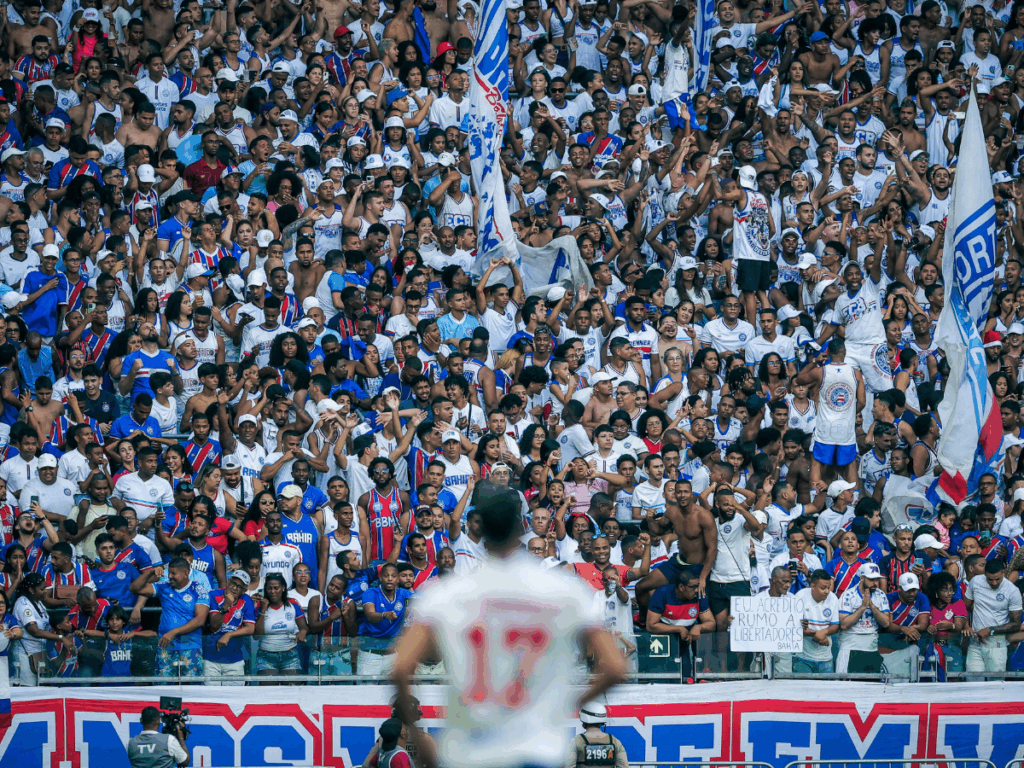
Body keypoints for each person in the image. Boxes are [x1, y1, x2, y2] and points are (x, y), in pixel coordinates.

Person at [390, 487, 627, 768]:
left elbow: (400, 668)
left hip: (470, 749)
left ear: (481, 531)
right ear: (521, 528)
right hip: (534, 748)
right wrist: (561, 705)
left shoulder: (446, 594)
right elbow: (615, 667)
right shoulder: (562, 590)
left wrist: (417, 736)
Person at [963, 559, 1023, 676]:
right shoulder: (975, 582)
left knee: (995, 687)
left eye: (997, 579)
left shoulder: (1012, 591)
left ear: (1003, 573)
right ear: (984, 574)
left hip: (997, 644)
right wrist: (966, 625)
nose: (994, 583)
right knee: (972, 684)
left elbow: (1016, 624)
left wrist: (990, 630)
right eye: (990, 579)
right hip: (975, 642)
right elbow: (965, 607)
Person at [836, 562, 891, 674]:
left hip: (872, 647)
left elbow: (886, 623)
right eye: (871, 579)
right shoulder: (848, 595)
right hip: (851, 647)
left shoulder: (880, 595)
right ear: (861, 578)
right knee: (846, 687)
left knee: (872, 687)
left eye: (877, 579)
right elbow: (844, 624)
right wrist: (862, 607)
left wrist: (871, 606)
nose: (875, 583)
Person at [566, 703, 629, 768]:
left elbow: (568, 766)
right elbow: (624, 766)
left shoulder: (576, 741)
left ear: (584, 718)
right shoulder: (614, 741)